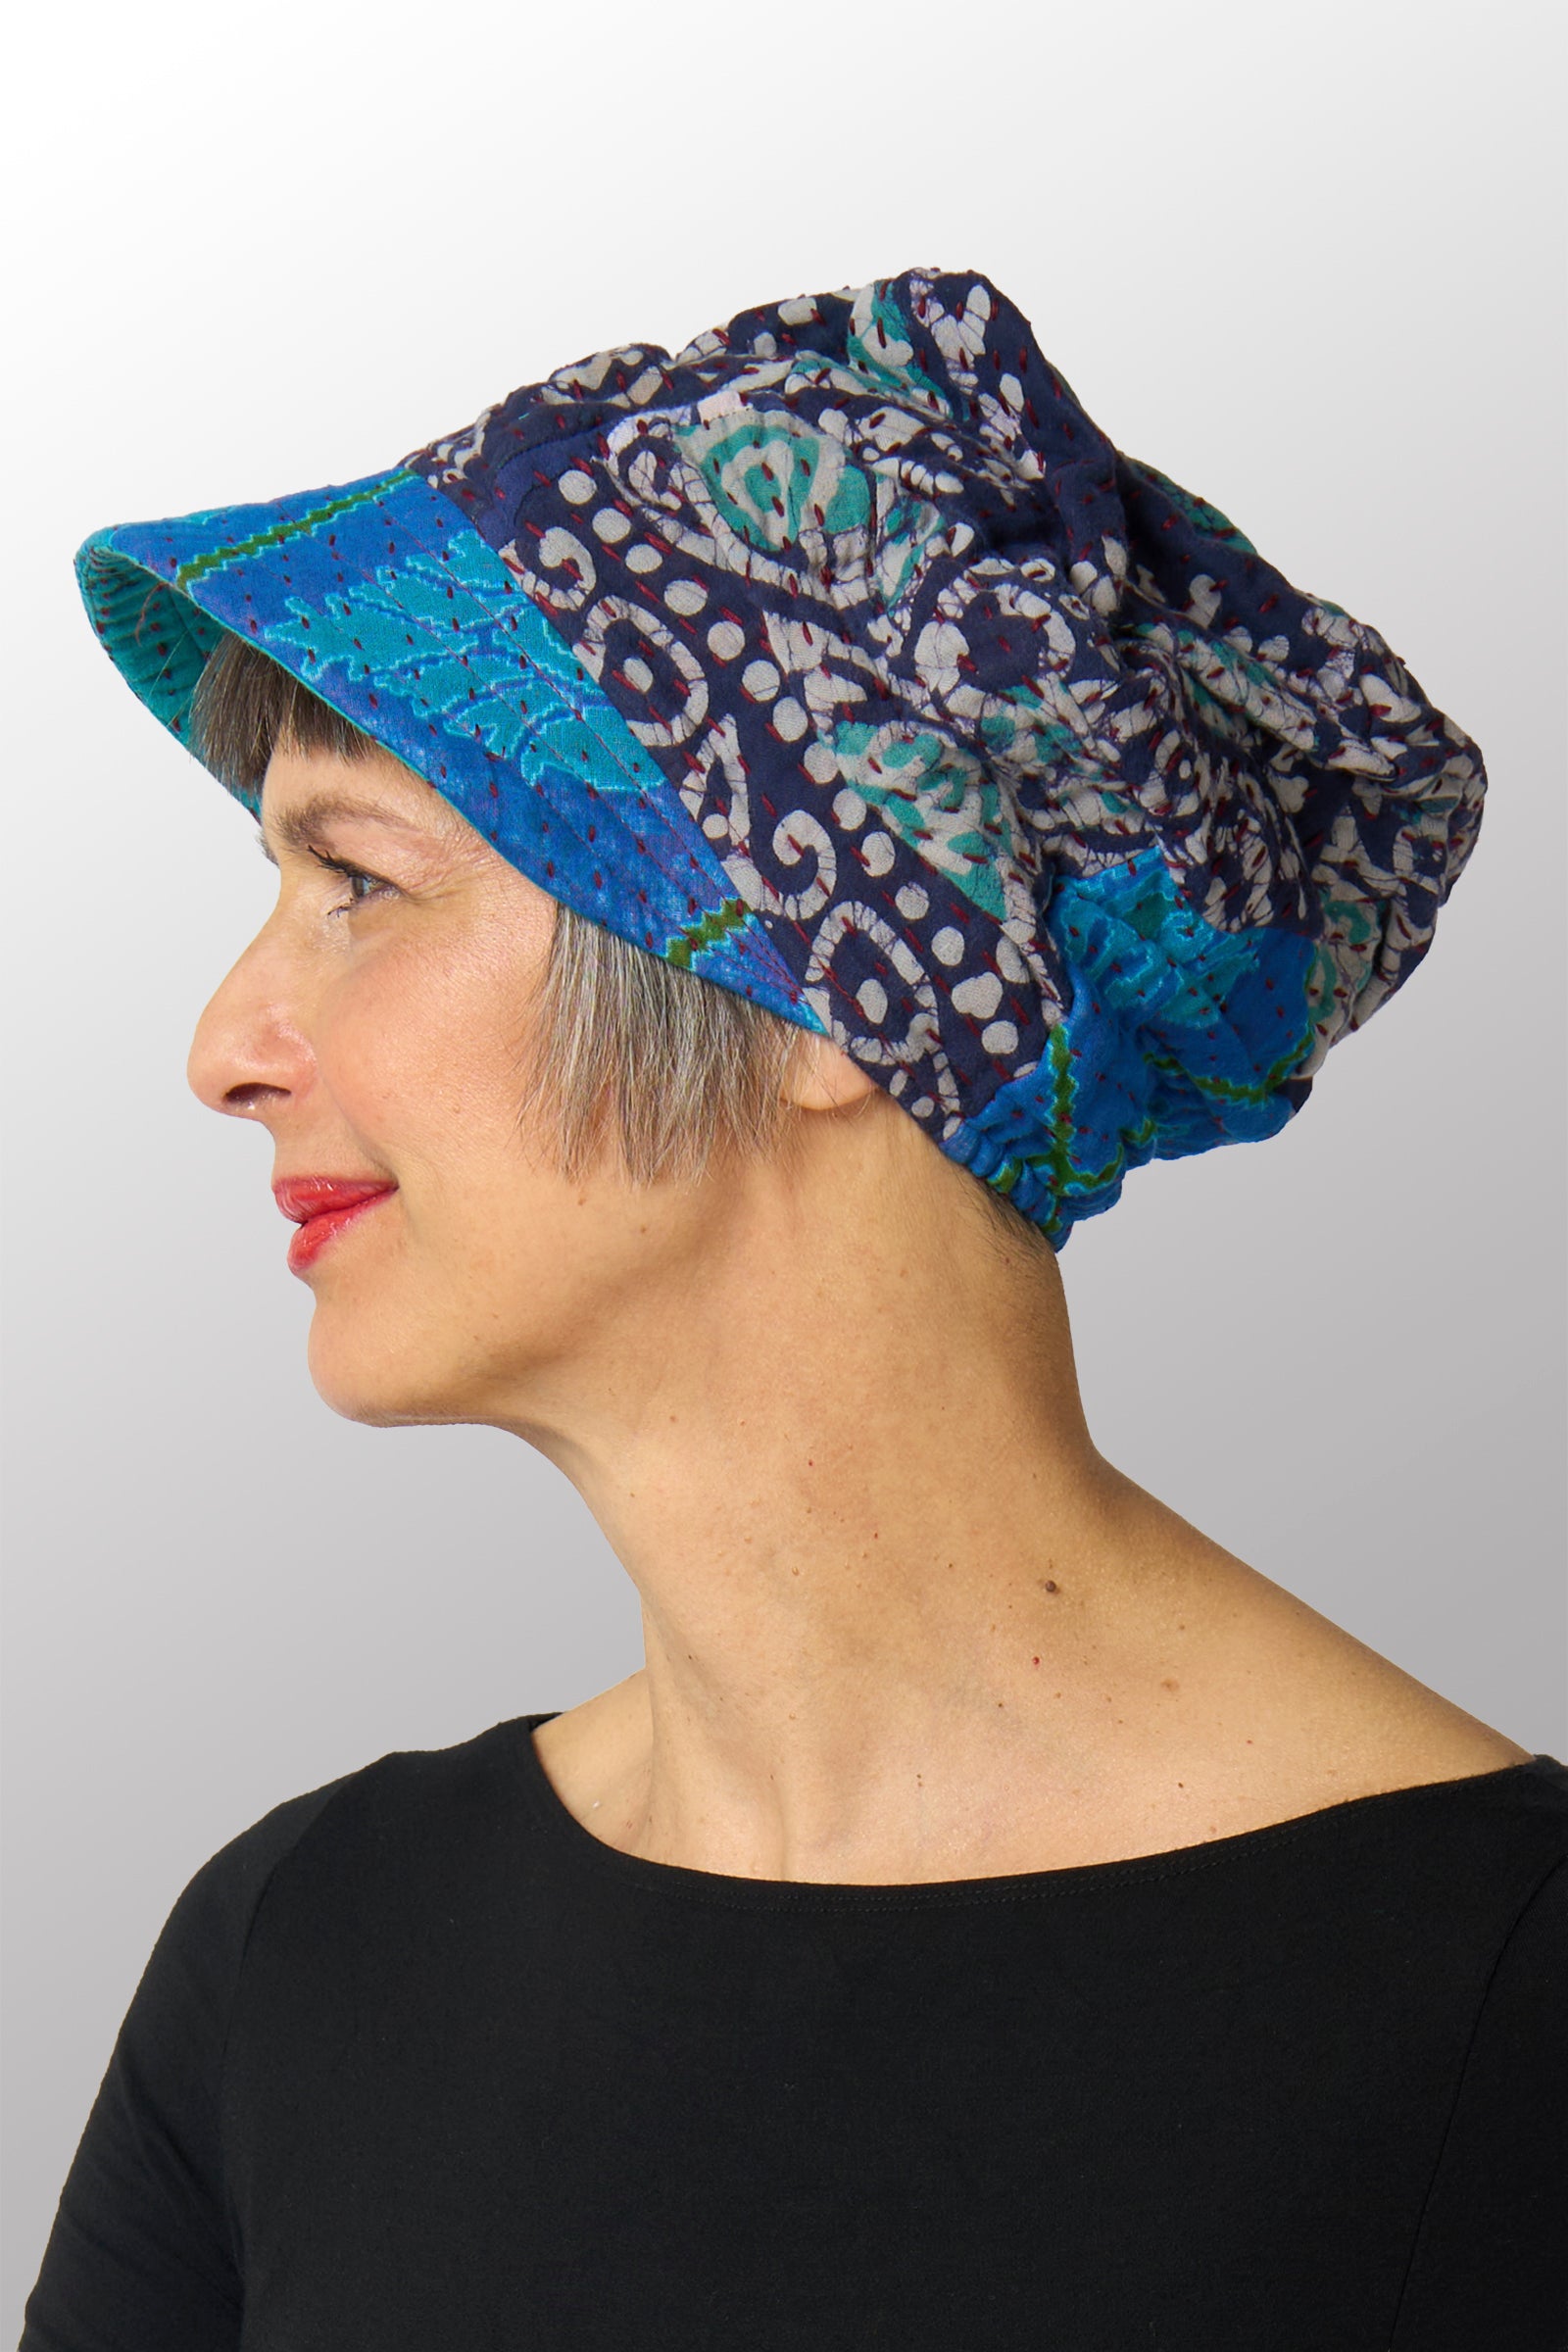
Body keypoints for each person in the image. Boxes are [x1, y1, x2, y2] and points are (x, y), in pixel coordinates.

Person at [24, 265, 1565, 2349]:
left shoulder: (1507, 2012)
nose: (225, 1048)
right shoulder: (302, 1952)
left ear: (829, 985)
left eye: (359, 882)